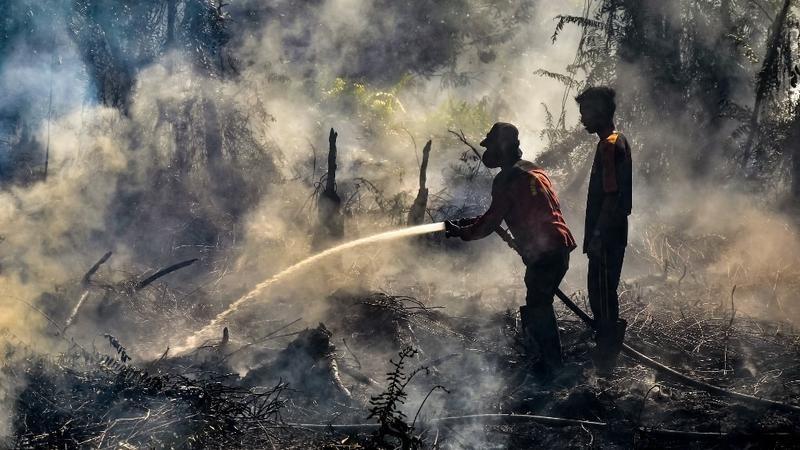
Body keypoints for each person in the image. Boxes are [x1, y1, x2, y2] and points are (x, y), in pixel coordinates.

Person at [445, 122, 577, 377]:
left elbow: (491, 222)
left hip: (546, 250)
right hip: (558, 245)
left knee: (538, 306)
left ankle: (550, 371)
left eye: (491, 146)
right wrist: (472, 224)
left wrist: (465, 232)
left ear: (503, 147)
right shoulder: (533, 169)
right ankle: (547, 365)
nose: (487, 153)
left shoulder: (508, 178)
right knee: (539, 302)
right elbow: (506, 213)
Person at [575, 87, 632, 371]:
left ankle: (607, 356)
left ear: (598, 112)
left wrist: (597, 236)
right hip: (612, 232)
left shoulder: (610, 144)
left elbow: (611, 196)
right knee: (603, 290)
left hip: (607, 234)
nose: (582, 119)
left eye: (585, 112)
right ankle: (607, 349)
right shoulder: (615, 141)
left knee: (601, 292)